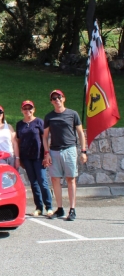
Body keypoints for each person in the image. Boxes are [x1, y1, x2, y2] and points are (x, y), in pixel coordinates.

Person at [42, 89, 87, 221]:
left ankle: (72, 209)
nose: (57, 100)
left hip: (70, 149)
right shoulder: (49, 116)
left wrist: (83, 151)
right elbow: (44, 137)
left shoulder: (73, 114)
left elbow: (80, 133)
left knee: (70, 179)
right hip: (54, 151)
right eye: (54, 98)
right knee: (55, 179)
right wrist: (46, 153)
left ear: (64, 98)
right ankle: (60, 208)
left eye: (59, 97)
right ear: (51, 102)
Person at [15, 100, 53, 217]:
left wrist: (46, 154)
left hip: (38, 156)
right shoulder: (19, 124)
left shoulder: (39, 122)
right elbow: (18, 140)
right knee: (33, 183)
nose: (28, 111)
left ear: (34, 109)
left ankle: (49, 207)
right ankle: (39, 207)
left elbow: (45, 139)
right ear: (22, 110)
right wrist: (19, 158)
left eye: (30, 108)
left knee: (43, 181)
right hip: (26, 157)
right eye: (25, 109)